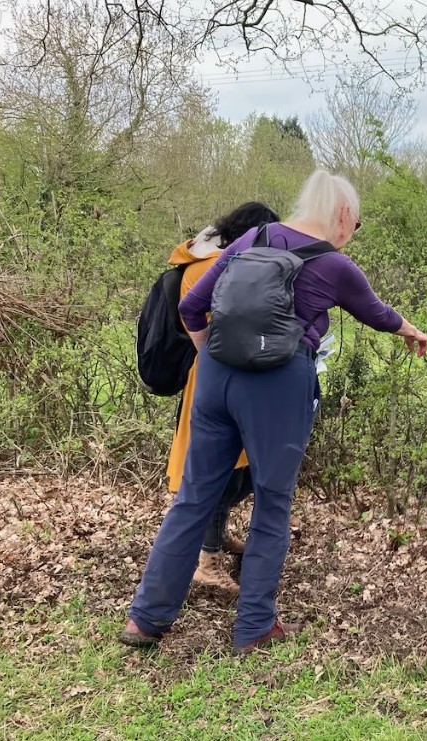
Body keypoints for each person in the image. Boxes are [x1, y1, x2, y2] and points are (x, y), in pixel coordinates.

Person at [120, 170, 427, 653]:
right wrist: (413, 331)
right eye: (357, 221)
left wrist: (210, 356)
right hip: (279, 384)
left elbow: (193, 306)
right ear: (343, 215)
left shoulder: (252, 236)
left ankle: (145, 619)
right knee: (272, 501)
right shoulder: (334, 264)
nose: (353, 231)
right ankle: (255, 626)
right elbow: (378, 314)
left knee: (194, 498)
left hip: (216, 381)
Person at [166, 202, 281, 594]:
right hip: (214, 381)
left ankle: (213, 538)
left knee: (239, 472)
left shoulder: (222, 261)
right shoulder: (205, 268)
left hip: (230, 376)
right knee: (217, 470)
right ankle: (207, 560)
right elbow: (209, 322)